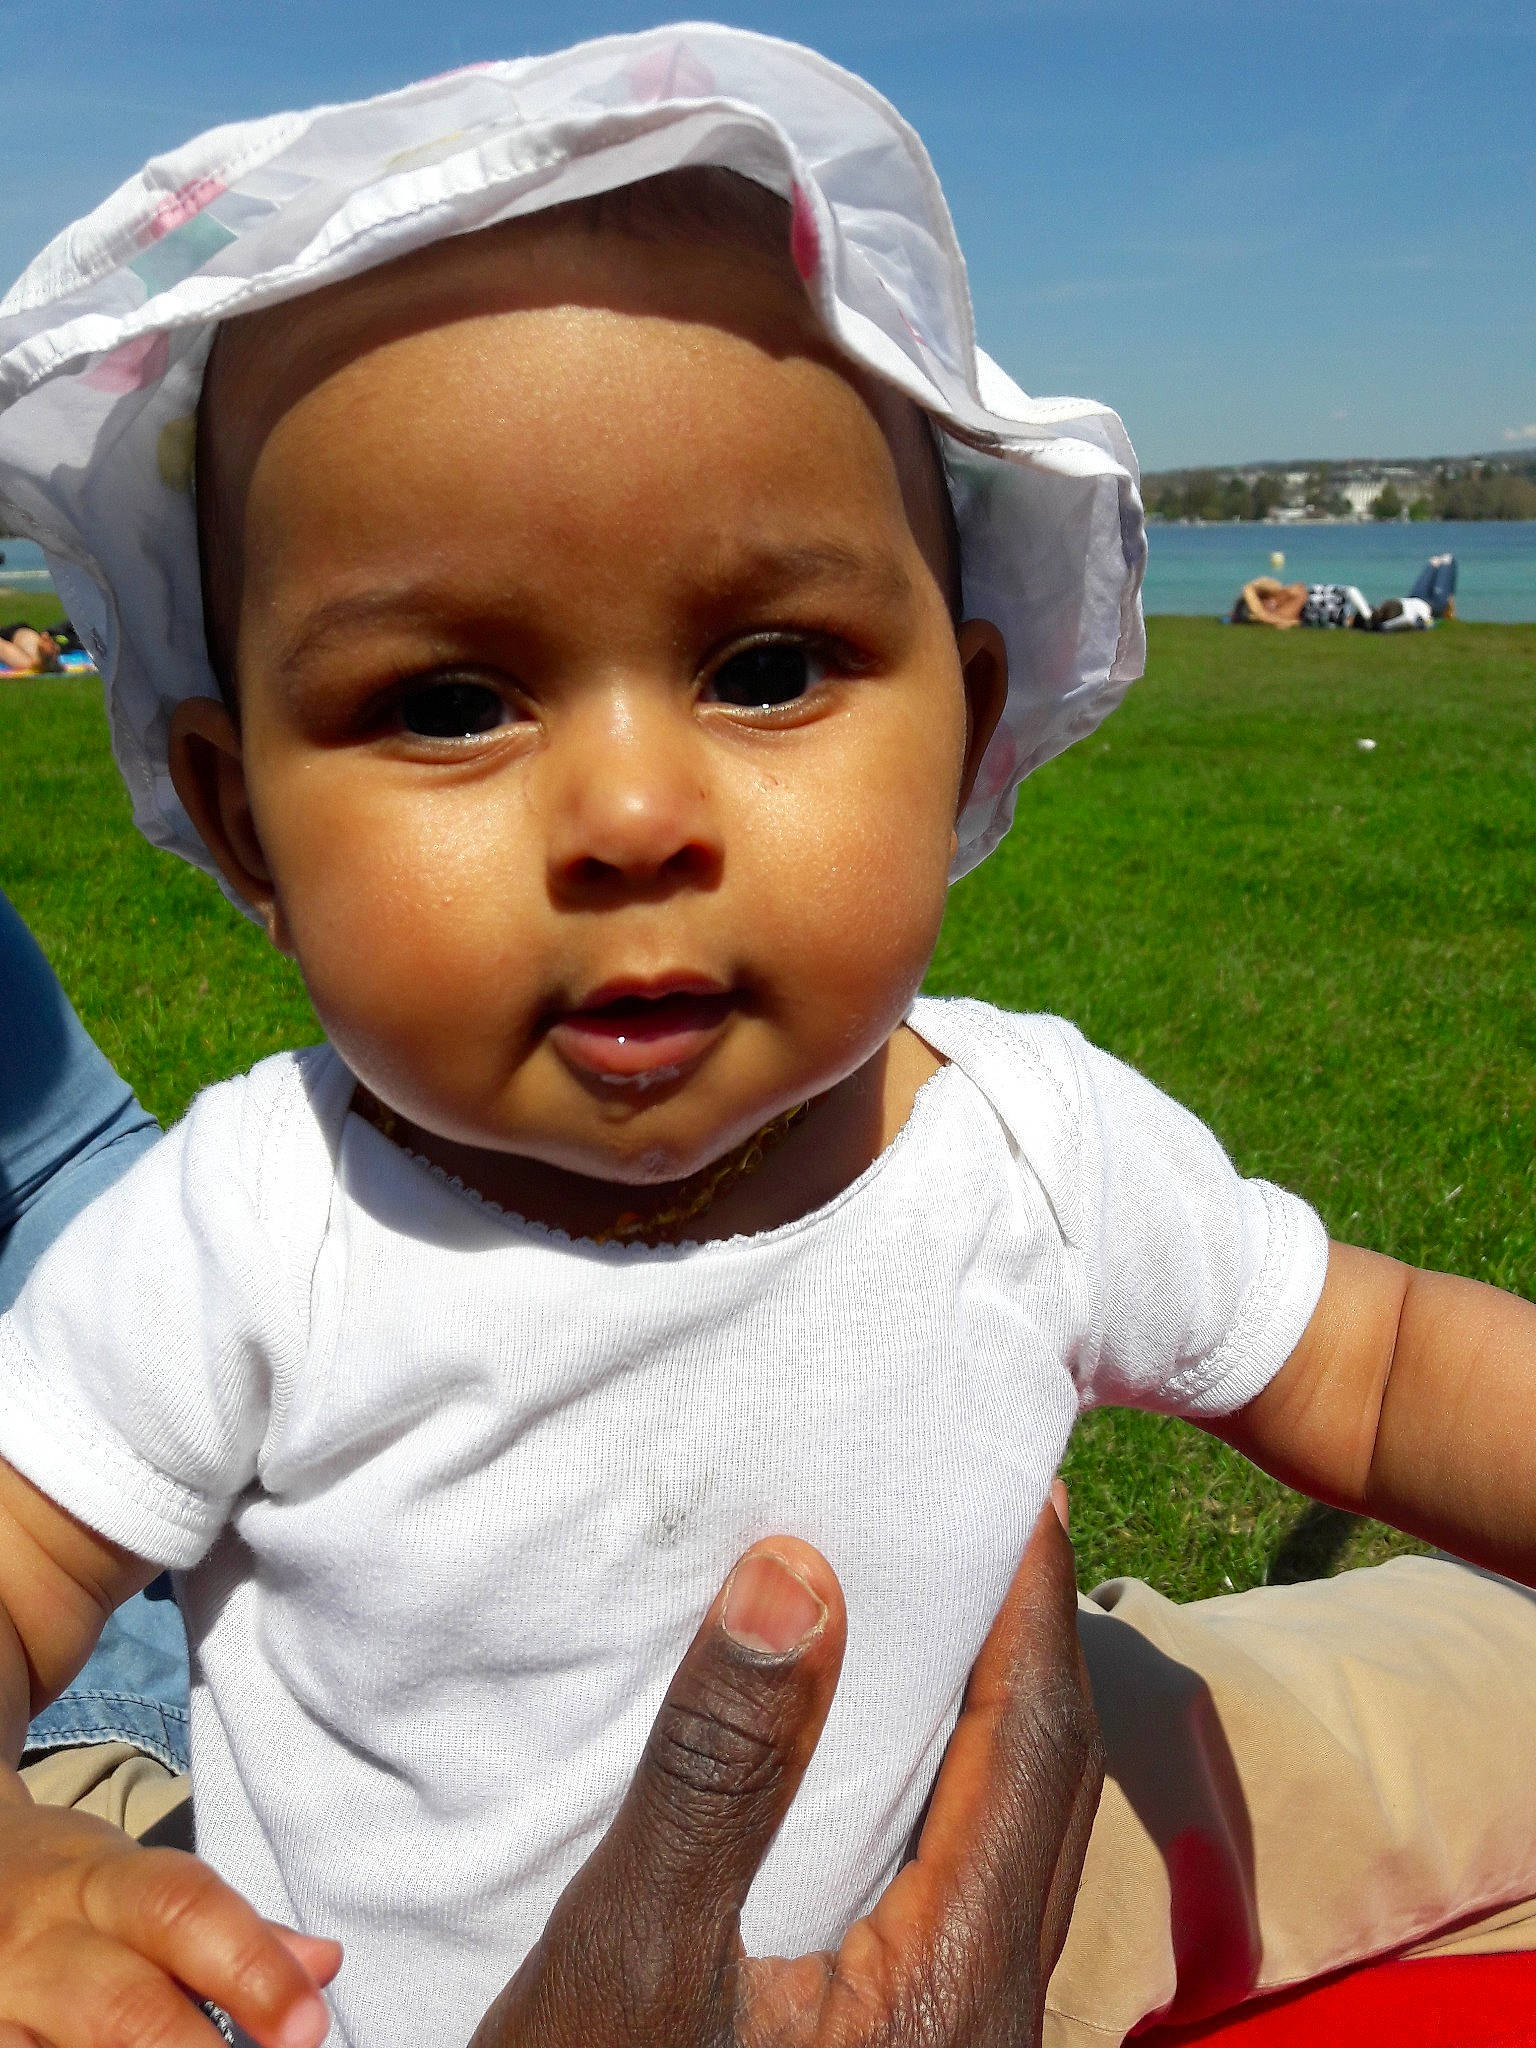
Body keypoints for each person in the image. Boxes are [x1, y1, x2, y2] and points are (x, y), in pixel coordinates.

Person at [1, 26, 1536, 2047]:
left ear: (972, 723)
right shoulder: (254, 1225)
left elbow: (1386, 1354)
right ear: (237, 814)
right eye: (452, 700)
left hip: (1009, 1908)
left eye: (768, 664)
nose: (636, 817)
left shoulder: (1026, 1149)